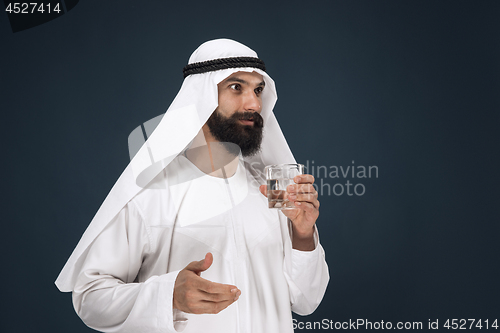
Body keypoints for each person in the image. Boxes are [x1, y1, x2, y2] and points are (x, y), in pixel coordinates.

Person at [55, 38, 329, 333]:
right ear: (201, 96)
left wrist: (302, 235)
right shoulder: (151, 195)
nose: (254, 104)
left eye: (258, 90)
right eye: (236, 87)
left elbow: (305, 301)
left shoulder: (273, 194)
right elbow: (91, 297)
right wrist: (167, 293)